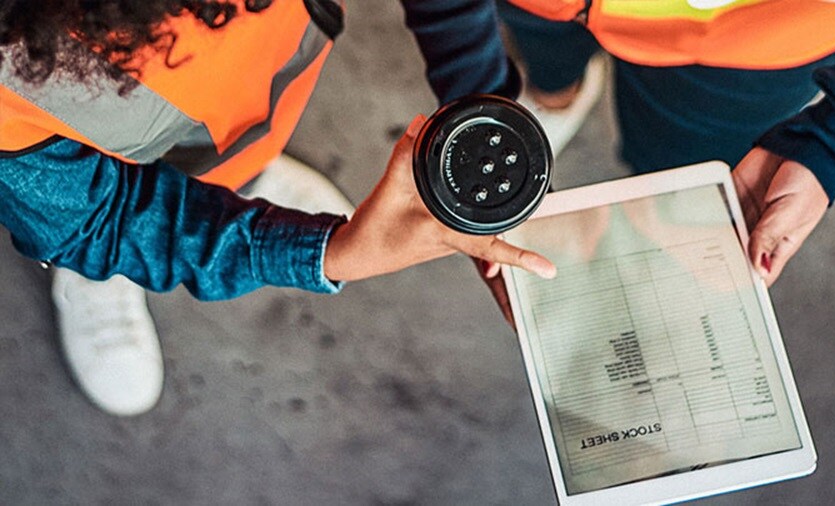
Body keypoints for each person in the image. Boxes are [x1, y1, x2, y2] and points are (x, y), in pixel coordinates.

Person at [0, 0, 555, 416]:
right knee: (99, 215)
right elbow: (99, 220)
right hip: (87, 174)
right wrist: (323, 251)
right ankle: (99, 279)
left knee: (238, 140)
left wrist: (486, 125)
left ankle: (247, 176)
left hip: (263, 90)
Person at [488, 1, 835, 283]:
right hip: (542, 6)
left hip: (749, 38)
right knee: (546, 57)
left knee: (671, 173)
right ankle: (556, 96)